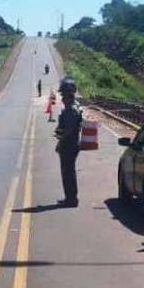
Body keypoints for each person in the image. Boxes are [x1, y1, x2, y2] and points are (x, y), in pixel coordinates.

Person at [54, 78, 82, 207]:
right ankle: (70, 198)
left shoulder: (71, 109)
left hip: (69, 145)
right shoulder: (74, 107)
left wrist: (60, 143)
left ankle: (71, 199)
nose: (61, 97)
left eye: (63, 94)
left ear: (67, 94)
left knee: (67, 173)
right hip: (72, 144)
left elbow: (69, 130)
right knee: (69, 172)